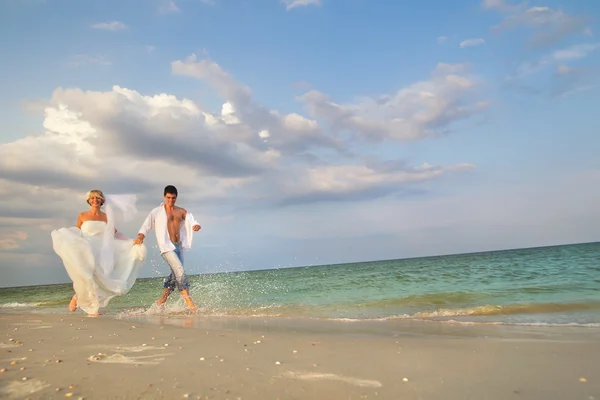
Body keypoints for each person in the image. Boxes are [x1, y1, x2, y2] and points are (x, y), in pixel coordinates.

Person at [51, 190, 147, 317]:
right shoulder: (82, 216)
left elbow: (115, 233)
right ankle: (82, 300)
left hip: (101, 251)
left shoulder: (106, 217)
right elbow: (78, 232)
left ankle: (88, 305)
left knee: (100, 278)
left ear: (102, 201)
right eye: (92, 198)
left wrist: (131, 241)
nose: (95, 200)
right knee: (88, 275)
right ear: (89, 201)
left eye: (97, 198)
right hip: (87, 249)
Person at [134, 185, 201, 312]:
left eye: (173, 198)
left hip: (178, 246)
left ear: (176, 197)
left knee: (175, 276)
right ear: (165, 197)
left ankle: (161, 302)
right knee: (180, 271)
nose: (171, 200)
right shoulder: (156, 212)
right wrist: (140, 236)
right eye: (169, 198)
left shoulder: (181, 211)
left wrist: (196, 225)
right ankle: (191, 305)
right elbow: (146, 226)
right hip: (166, 247)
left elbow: (192, 220)